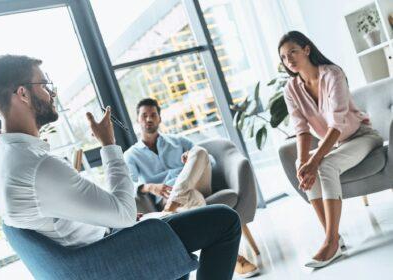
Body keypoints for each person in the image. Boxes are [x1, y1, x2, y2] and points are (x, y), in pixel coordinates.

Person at [0, 54, 241, 280]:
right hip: (106, 259)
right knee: (224, 220)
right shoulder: (38, 167)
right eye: (44, 84)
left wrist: (114, 221)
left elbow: (62, 219)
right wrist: (108, 144)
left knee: (174, 234)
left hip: (94, 249)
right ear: (23, 94)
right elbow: (125, 214)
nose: (52, 93)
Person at [279, 31, 383, 268]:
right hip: (338, 145)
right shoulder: (291, 89)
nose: (289, 60)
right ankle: (334, 238)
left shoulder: (332, 74)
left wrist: (314, 161)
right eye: (284, 58)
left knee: (323, 165)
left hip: (362, 137)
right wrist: (303, 164)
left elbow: (337, 125)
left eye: (293, 52)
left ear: (306, 50)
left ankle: (330, 242)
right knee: (302, 165)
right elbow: (301, 129)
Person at [124, 98, 259, 277]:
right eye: (144, 116)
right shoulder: (131, 155)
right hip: (171, 194)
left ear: (159, 118)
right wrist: (149, 186)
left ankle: (172, 206)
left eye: (153, 115)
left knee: (200, 151)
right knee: (192, 197)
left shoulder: (177, 140)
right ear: (138, 120)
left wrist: (190, 158)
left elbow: (209, 161)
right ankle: (234, 259)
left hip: (197, 184)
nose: (149, 119)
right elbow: (129, 184)